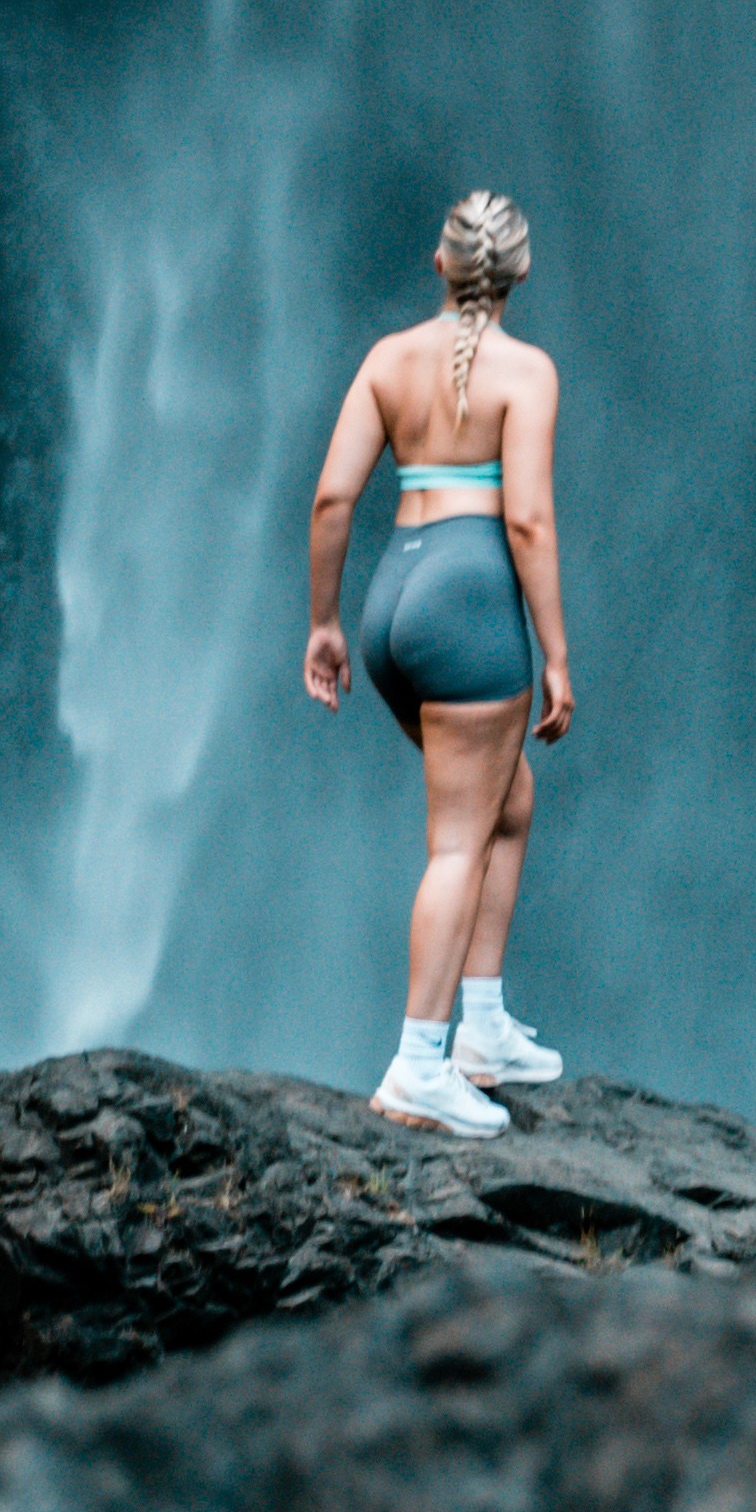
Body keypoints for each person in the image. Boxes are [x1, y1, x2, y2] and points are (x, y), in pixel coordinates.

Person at [302, 184, 575, 1131]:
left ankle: (484, 1028)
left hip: (391, 605)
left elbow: (333, 499)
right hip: (469, 605)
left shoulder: (387, 360)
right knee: (458, 841)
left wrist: (326, 624)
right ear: (521, 273)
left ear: (440, 265)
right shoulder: (526, 372)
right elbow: (529, 520)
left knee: (508, 799)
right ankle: (420, 1061)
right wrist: (556, 656)